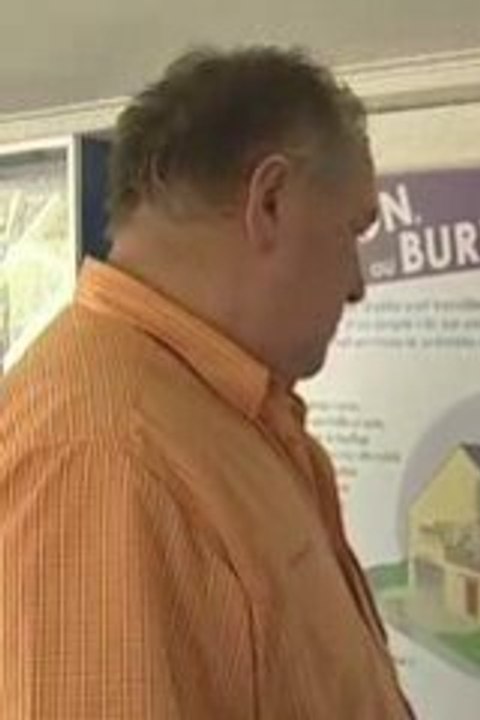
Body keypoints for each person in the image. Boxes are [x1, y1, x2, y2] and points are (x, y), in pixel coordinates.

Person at [0, 46, 414, 719]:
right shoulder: (107, 456)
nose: (357, 284)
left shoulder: (218, 415)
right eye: (353, 231)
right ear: (270, 202)